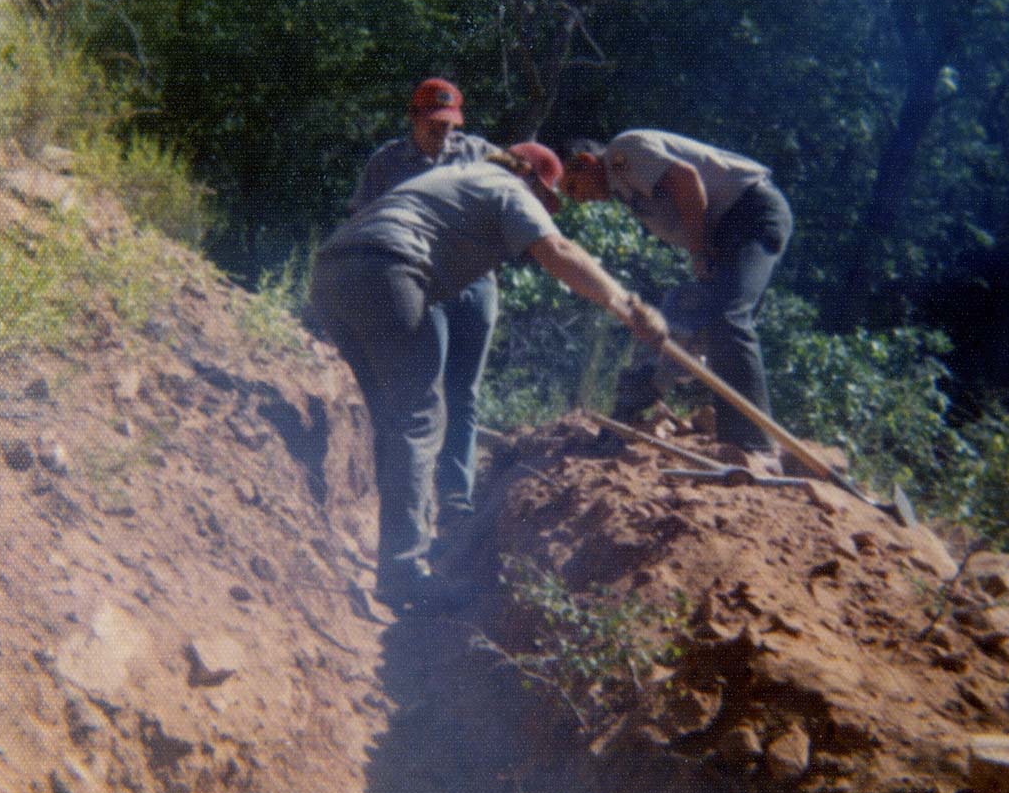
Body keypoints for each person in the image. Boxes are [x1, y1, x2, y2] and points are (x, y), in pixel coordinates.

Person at [311, 143, 666, 613]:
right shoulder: (505, 186)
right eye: (549, 199)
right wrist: (627, 306)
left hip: (332, 271)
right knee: (421, 418)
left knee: (397, 423)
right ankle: (403, 573)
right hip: (388, 266)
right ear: (533, 179)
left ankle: (398, 554)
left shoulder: (459, 178)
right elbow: (556, 249)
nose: (548, 209)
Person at [561, 129, 792, 460]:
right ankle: (627, 414)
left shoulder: (621, 154)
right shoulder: (624, 185)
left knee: (729, 319)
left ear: (584, 162)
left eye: (573, 187)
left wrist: (698, 252)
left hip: (750, 214)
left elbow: (686, 180)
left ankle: (753, 447)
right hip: (727, 231)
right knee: (681, 326)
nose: (578, 199)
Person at [348, 78, 496, 517]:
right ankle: (417, 498)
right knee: (426, 390)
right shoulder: (387, 163)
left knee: (464, 391)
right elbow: (361, 218)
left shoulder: (476, 152)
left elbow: (520, 187)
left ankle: (455, 497)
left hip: (476, 281)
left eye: (449, 124)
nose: (442, 133)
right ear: (413, 117)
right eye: (433, 123)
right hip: (423, 284)